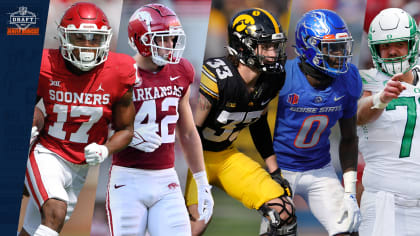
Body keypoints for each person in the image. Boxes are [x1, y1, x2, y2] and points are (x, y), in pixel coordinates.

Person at [20, 2, 136, 236]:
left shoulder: (119, 71)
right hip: (48, 151)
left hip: (80, 166)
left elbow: (126, 129)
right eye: (79, 37)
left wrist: (105, 149)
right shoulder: (44, 65)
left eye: (94, 38)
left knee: (34, 230)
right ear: (63, 38)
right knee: (55, 212)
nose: (86, 46)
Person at [185, 8, 297, 236]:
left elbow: (258, 121)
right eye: (265, 46)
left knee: (283, 210)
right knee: (198, 220)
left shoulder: (272, 78)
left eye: (274, 46)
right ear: (243, 46)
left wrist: (274, 171)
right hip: (193, 159)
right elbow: (190, 132)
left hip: (226, 155)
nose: (273, 53)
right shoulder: (217, 78)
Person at [106, 4, 214, 236]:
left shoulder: (182, 70)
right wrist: (129, 136)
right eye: (163, 39)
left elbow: (186, 133)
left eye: (172, 39)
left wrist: (202, 181)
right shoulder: (119, 72)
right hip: (127, 179)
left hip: (167, 178)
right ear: (141, 40)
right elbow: (95, 129)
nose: (170, 46)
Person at [272, 9, 362, 236]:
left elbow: (349, 137)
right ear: (309, 46)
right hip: (280, 169)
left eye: (342, 46)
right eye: (332, 48)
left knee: (348, 228)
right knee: (276, 230)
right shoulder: (281, 77)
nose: (340, 54)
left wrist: (349, 191)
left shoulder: (349, 78)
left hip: (319, 168)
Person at [356, 8, 420, 236]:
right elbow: (358, 114)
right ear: (375, 49)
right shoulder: (366, 80)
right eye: (385, 46)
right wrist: (380, 99)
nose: (392, 51)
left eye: (400, 44)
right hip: (385, 205)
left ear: (413, 45)